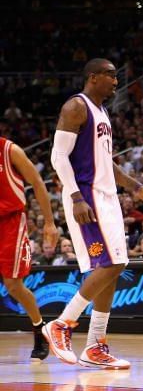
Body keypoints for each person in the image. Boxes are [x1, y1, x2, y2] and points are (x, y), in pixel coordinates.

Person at [45, 58, 143, 369]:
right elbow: (57, 156)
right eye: (110, 76)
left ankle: (95, 345)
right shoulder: (75, 107)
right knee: (111, 263)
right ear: (92, 77)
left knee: (116, 267)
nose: (116, 82)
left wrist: (135, 187)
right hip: (87, 197)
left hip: (106, 196)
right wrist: (77, 197)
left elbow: (107, 161)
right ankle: (62, 324)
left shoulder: (102, 111)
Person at [0, 137, 59, 360]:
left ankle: (39, 329)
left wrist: (49, 222)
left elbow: (37, 182)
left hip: (10, 222)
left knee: (14, 285)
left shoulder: (9, 149)